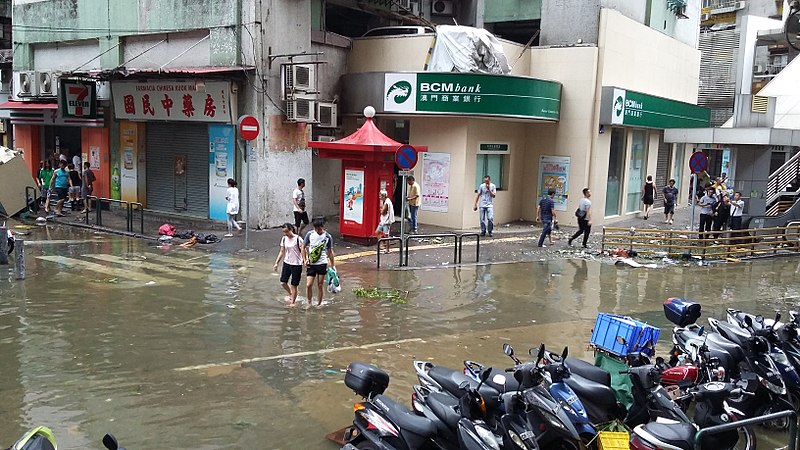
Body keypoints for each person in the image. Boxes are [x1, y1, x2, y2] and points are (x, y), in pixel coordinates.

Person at [302, 218, 335, 308]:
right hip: (311, 263)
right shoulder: (310, 234)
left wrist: (333, 266)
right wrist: (305, 259)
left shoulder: (328, 237)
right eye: (316, 228)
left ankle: (319, 303)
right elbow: (303, 247)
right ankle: (309, 302)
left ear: (323, 227)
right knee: (309, 285)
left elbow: (330, 251)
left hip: (322, 263)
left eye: (319, 228)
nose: (318, 230)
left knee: (320, 284)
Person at [273, 223, 303, 307]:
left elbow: (304, 250)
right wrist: (276, 263)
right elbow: (282, 251)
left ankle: (293, 302)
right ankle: (292, 294)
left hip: (296, 264)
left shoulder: (298, 239)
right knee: (283, 282)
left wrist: (305, 260)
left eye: (286, 232)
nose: (285, 234)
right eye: (284, 232)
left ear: (291, 230)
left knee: (294, 284)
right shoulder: (284, 239)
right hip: (287, 262)